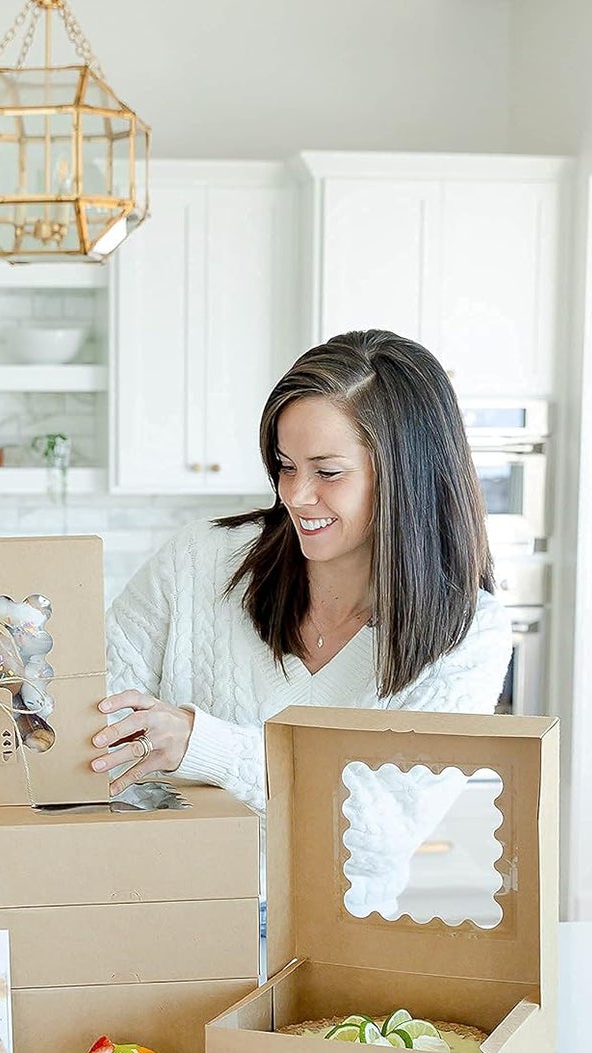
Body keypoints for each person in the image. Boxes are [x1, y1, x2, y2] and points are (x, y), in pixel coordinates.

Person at [94, 329, 514, 913]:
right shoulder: (198, 561)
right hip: (157, 914)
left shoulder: (469, 634)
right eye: (285, 467)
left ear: (405, 475)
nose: (297, 495)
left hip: (333, 940)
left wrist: (203, 745)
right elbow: (96, 706)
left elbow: (382, 820)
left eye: (328, 472)